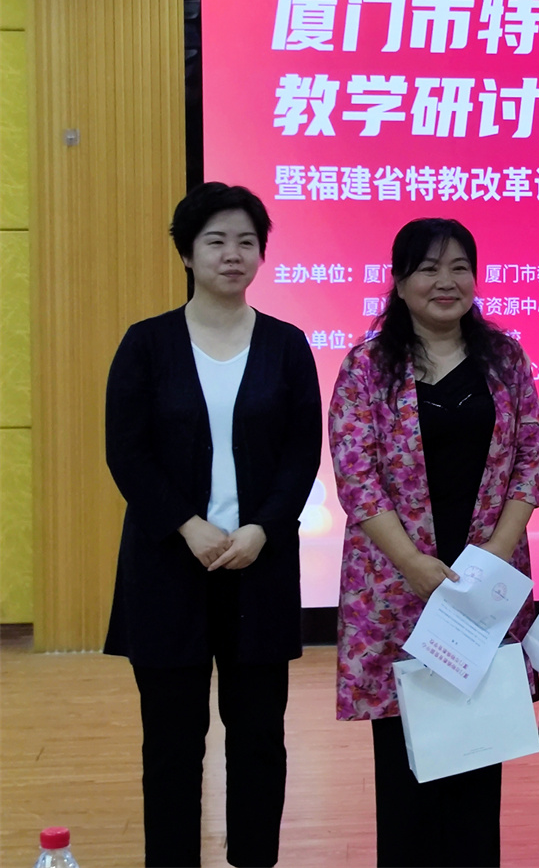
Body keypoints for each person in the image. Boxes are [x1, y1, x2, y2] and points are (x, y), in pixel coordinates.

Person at [103, 182, 322, 867]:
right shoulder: (147, 344)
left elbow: (301, 453)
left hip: (259, 567)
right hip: (169, 566)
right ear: (187, 252)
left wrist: (262, 528)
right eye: (216, 241)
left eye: (246, 241)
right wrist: (186, 524)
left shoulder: (287, 345)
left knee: (259, 737)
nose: (233, 254)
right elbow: (126, 452)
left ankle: (254, 858)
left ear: (261, 254)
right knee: (172, 741)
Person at [328, 218, 539, 868]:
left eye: (459, 267)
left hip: (481, 588)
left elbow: (529, 459)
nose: (445, 281)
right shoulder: (368, 365)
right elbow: (357, 475)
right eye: (428, 268)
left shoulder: (504, 360)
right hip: (396, 587)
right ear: (399, 282)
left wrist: (495, 553)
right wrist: (413, 563)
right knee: (405, 771)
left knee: (479, 758)